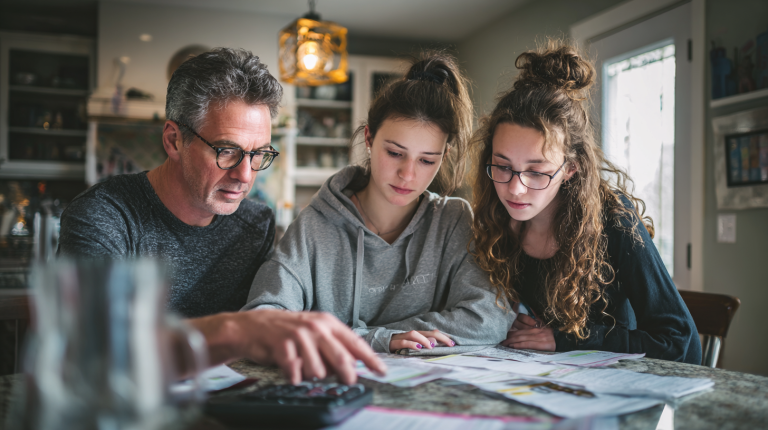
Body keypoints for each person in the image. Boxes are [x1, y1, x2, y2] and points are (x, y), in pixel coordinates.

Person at [58, 48, 385, 384]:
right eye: (226, 151)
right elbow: (95, 348)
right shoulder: (102, 216)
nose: (245, 175)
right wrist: (236, 330)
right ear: (173, 140)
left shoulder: (254, 224)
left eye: (259, 154)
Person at [244, 52, 514, 353]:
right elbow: (260, 320)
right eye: (395, 153)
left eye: (426, 160)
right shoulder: (315, 226)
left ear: (444, 158)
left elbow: (489, 319)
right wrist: (376, 340)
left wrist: (377, 337)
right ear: (369, 138)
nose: (407, 174)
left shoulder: (452, 221)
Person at [469, 42, 701, 364]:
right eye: (503, 166)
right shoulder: (494, 217)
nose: (516, 189)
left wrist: (565, 339)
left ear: (570, 168)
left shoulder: (614, 219)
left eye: (537, 171)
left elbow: (682, 343)